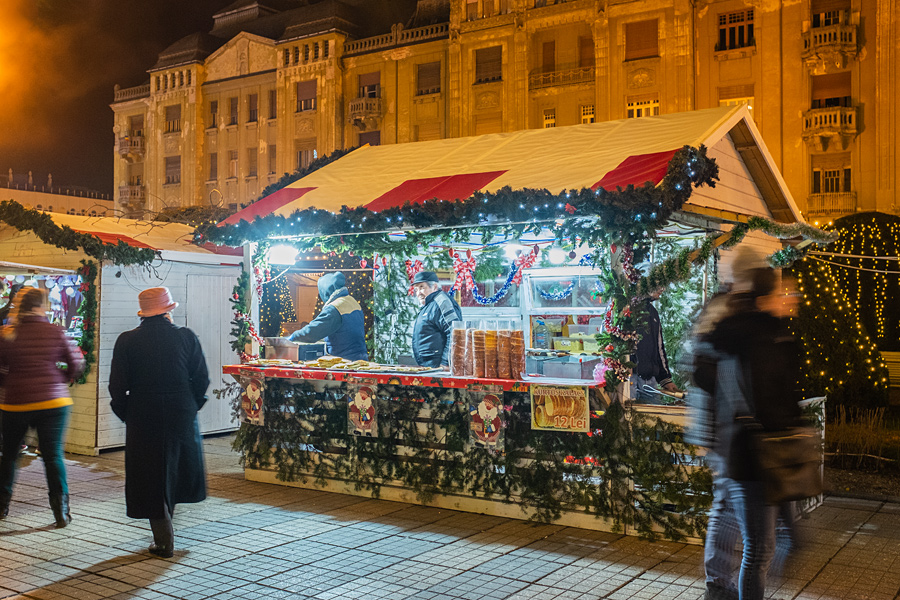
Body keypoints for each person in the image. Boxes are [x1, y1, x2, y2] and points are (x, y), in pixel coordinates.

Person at [701, 267, 803, 600]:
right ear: (767, 297)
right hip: (751, 454)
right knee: (759, 549)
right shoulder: (752, 335)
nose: (792, 299)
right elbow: (768, 397)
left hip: (755, 453)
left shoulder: (767, 334)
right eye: (785, 293)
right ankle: (719, 583)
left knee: (763, 543)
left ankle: (720, 582)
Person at [109, 287, 210, 558]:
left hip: (143, 413)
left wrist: (128, 414)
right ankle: (165, 534)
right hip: (181, 412)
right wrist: (191, 406)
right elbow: (201, 378)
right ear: (168, 311)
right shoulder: (186, 337)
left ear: (143, 313)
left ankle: (164, 539)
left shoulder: (127, 340)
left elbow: (117, 386)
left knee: (149, 475)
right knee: (175, 470)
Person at [0, 287, 85, 527]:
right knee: (52, 456)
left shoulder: (7, 334)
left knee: (9, 456)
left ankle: (2, 506)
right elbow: (76, 365)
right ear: (40, 306)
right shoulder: (56, 331)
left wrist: (11, 383)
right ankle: (61, 513)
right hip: (53, 402)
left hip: (16, 403)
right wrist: (58, 378)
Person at [289, 272, 367, 361]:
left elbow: (312, 332)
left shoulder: (335, 308)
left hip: (343, 362)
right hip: (360, 359)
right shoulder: (351, 301)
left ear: (325, 292)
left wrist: (292, 337)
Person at [410, 271, 462, 368]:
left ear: (434, 287)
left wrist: (446, 362)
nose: (418, 293)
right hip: (429, 366)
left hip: (439, 366)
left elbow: (455, 332)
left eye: (422, 287)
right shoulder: (429, 305)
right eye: (416, 289)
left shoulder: (441, 302)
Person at [634, 289, 680, 395]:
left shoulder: (652, 311)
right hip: (630, 380)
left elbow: (659, 347)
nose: (662, 289)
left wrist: (665, 378)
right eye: (659, 283)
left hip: (650, 380)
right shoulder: (627, 309)